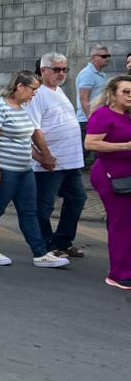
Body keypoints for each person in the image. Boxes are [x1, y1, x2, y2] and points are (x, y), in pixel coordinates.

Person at [0, 72, 69, 268]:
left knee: (29, 211)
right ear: (20, 86)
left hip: (24, 170)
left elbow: (24, 141)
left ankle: (40, 253)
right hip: (4, 169)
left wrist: (42, 158)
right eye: (32, 90)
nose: (34, 95)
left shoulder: (23, 108)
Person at [30, 53, 88, 261]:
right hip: (50, 164)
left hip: (70, 162)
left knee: (78, 198)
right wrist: (43, 156)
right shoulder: (37, 94)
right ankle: (45, 245)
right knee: (43, 208)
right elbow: (33, 129)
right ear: (43, 70)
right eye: (56, 69)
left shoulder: (59, 90)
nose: (61, 73)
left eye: (64, 69)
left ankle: (63, 241)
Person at [84, 75, 131, 289]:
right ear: (113, 93)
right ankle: (118, 274)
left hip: (127, 174)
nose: (130, 96)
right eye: (126, 91)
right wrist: (126, 146)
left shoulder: (128, 115)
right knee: (120, 222)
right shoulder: (104, 115)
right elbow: (91, 144)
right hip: (111, 175)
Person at [76, 44, 112, 141]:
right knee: (89, 153)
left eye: (109, 56)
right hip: (87, 121)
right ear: (93, 57)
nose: (107, 58)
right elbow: (84, 99)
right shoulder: (88, 73)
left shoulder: (100, 74)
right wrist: (91, 120)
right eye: (104, 56)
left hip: (97, 119)